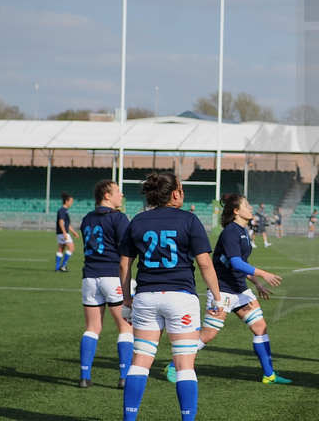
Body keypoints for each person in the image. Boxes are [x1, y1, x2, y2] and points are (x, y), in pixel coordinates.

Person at [119, 171, 224, 421]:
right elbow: (206, 265)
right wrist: (217, 298)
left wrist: (126, 301)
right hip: (180, 297)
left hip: (145, 296)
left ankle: (129, 418)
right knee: (184, 366)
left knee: (140, 362)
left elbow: (124, 265)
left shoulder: (138, 220)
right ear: (176, 193)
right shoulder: (189, 220)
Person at [164, 193, 288, 385]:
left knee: (260, 328)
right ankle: (174, 365)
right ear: (236, 211)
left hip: (240, 290)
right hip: (222, 290)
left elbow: (242, 263)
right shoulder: (231, 232)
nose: (250, 208)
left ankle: (269, 374)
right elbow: (236, 262)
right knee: (208, 334)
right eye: (246, 205)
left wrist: (256, 282)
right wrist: (263, 273)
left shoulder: (244, 231)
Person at [78, 180, 133, 389]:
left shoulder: (86, 219)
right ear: (107, 196)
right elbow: (126, 253)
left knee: (92, 328)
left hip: (89, 277)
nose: (121, 194)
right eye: (118, 191)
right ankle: (124, 377)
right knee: (126, 327)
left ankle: (84, 376)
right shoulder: (119, 218)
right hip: (112, 277)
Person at [55, 191, 81, 272]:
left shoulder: (64, 210)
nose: (71, 203)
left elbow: (66, 224)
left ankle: (57, 268)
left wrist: (74, 232)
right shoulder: (63, 210)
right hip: (63, 233)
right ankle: (63, 266)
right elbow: (61, 222)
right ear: (66, 201)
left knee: (61, 249)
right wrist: (64, 233)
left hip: (60, 233)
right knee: (71, 247)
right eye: (71, 201)